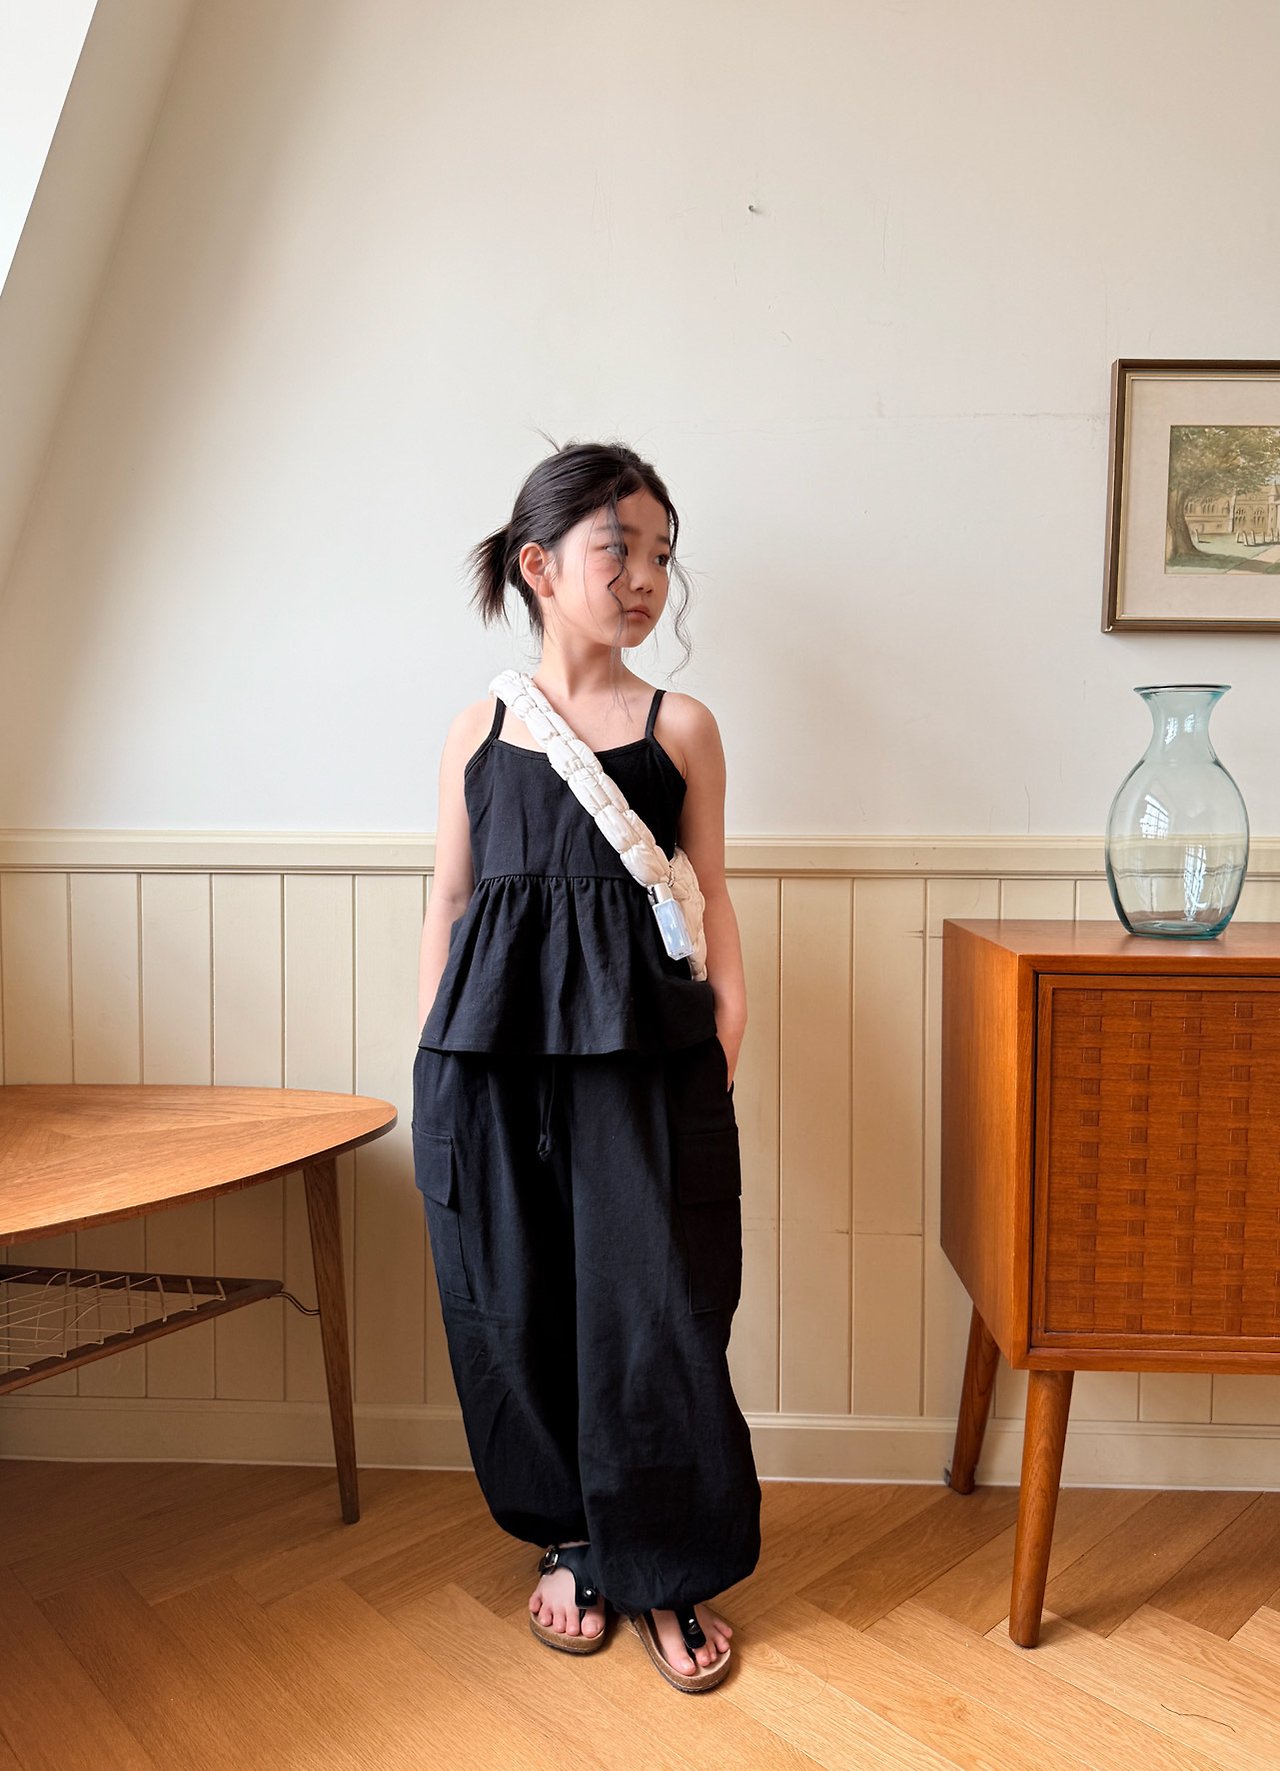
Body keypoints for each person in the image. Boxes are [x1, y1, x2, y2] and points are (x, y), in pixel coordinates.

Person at [413, 440, 761, 1694]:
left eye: (660, 553)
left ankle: (666, 1564)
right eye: (618, 548)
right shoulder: (476, 730)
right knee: (514, 1302)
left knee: (657, 1310)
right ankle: (571, 1537)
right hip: (490, 1064)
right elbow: (450, 900)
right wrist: (433, 1054)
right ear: (538, 565)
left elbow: (710, 891)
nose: (644, 576)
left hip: (642, 1060)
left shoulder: (681, 727)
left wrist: (725, 1027)